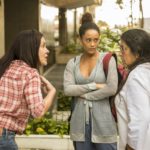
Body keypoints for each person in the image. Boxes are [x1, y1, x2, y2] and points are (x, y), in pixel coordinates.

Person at [64, 12, 118, 150]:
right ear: (80, 40)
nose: (93, 44)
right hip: (79, 125)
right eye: (88, 40)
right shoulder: (73, 63)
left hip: (105, 124)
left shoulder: (108, 59)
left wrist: (85, 95)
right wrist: (94, 85)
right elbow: (68, 89)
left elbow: (111, 88)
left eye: (96, 39)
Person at [0, 29, 56, 150]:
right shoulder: (30, 74)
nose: (47, 51)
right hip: (3, 138)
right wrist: (52, 92)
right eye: (43, 46)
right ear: (31, 48)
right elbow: (38, 112)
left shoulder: (5, 67)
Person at [115, 28, 150, 150]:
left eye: (124, 49)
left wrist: (130, 148)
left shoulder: (136, 77)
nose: (121, 53)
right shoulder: (145, 71)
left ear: (137, 52)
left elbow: (140, 120)